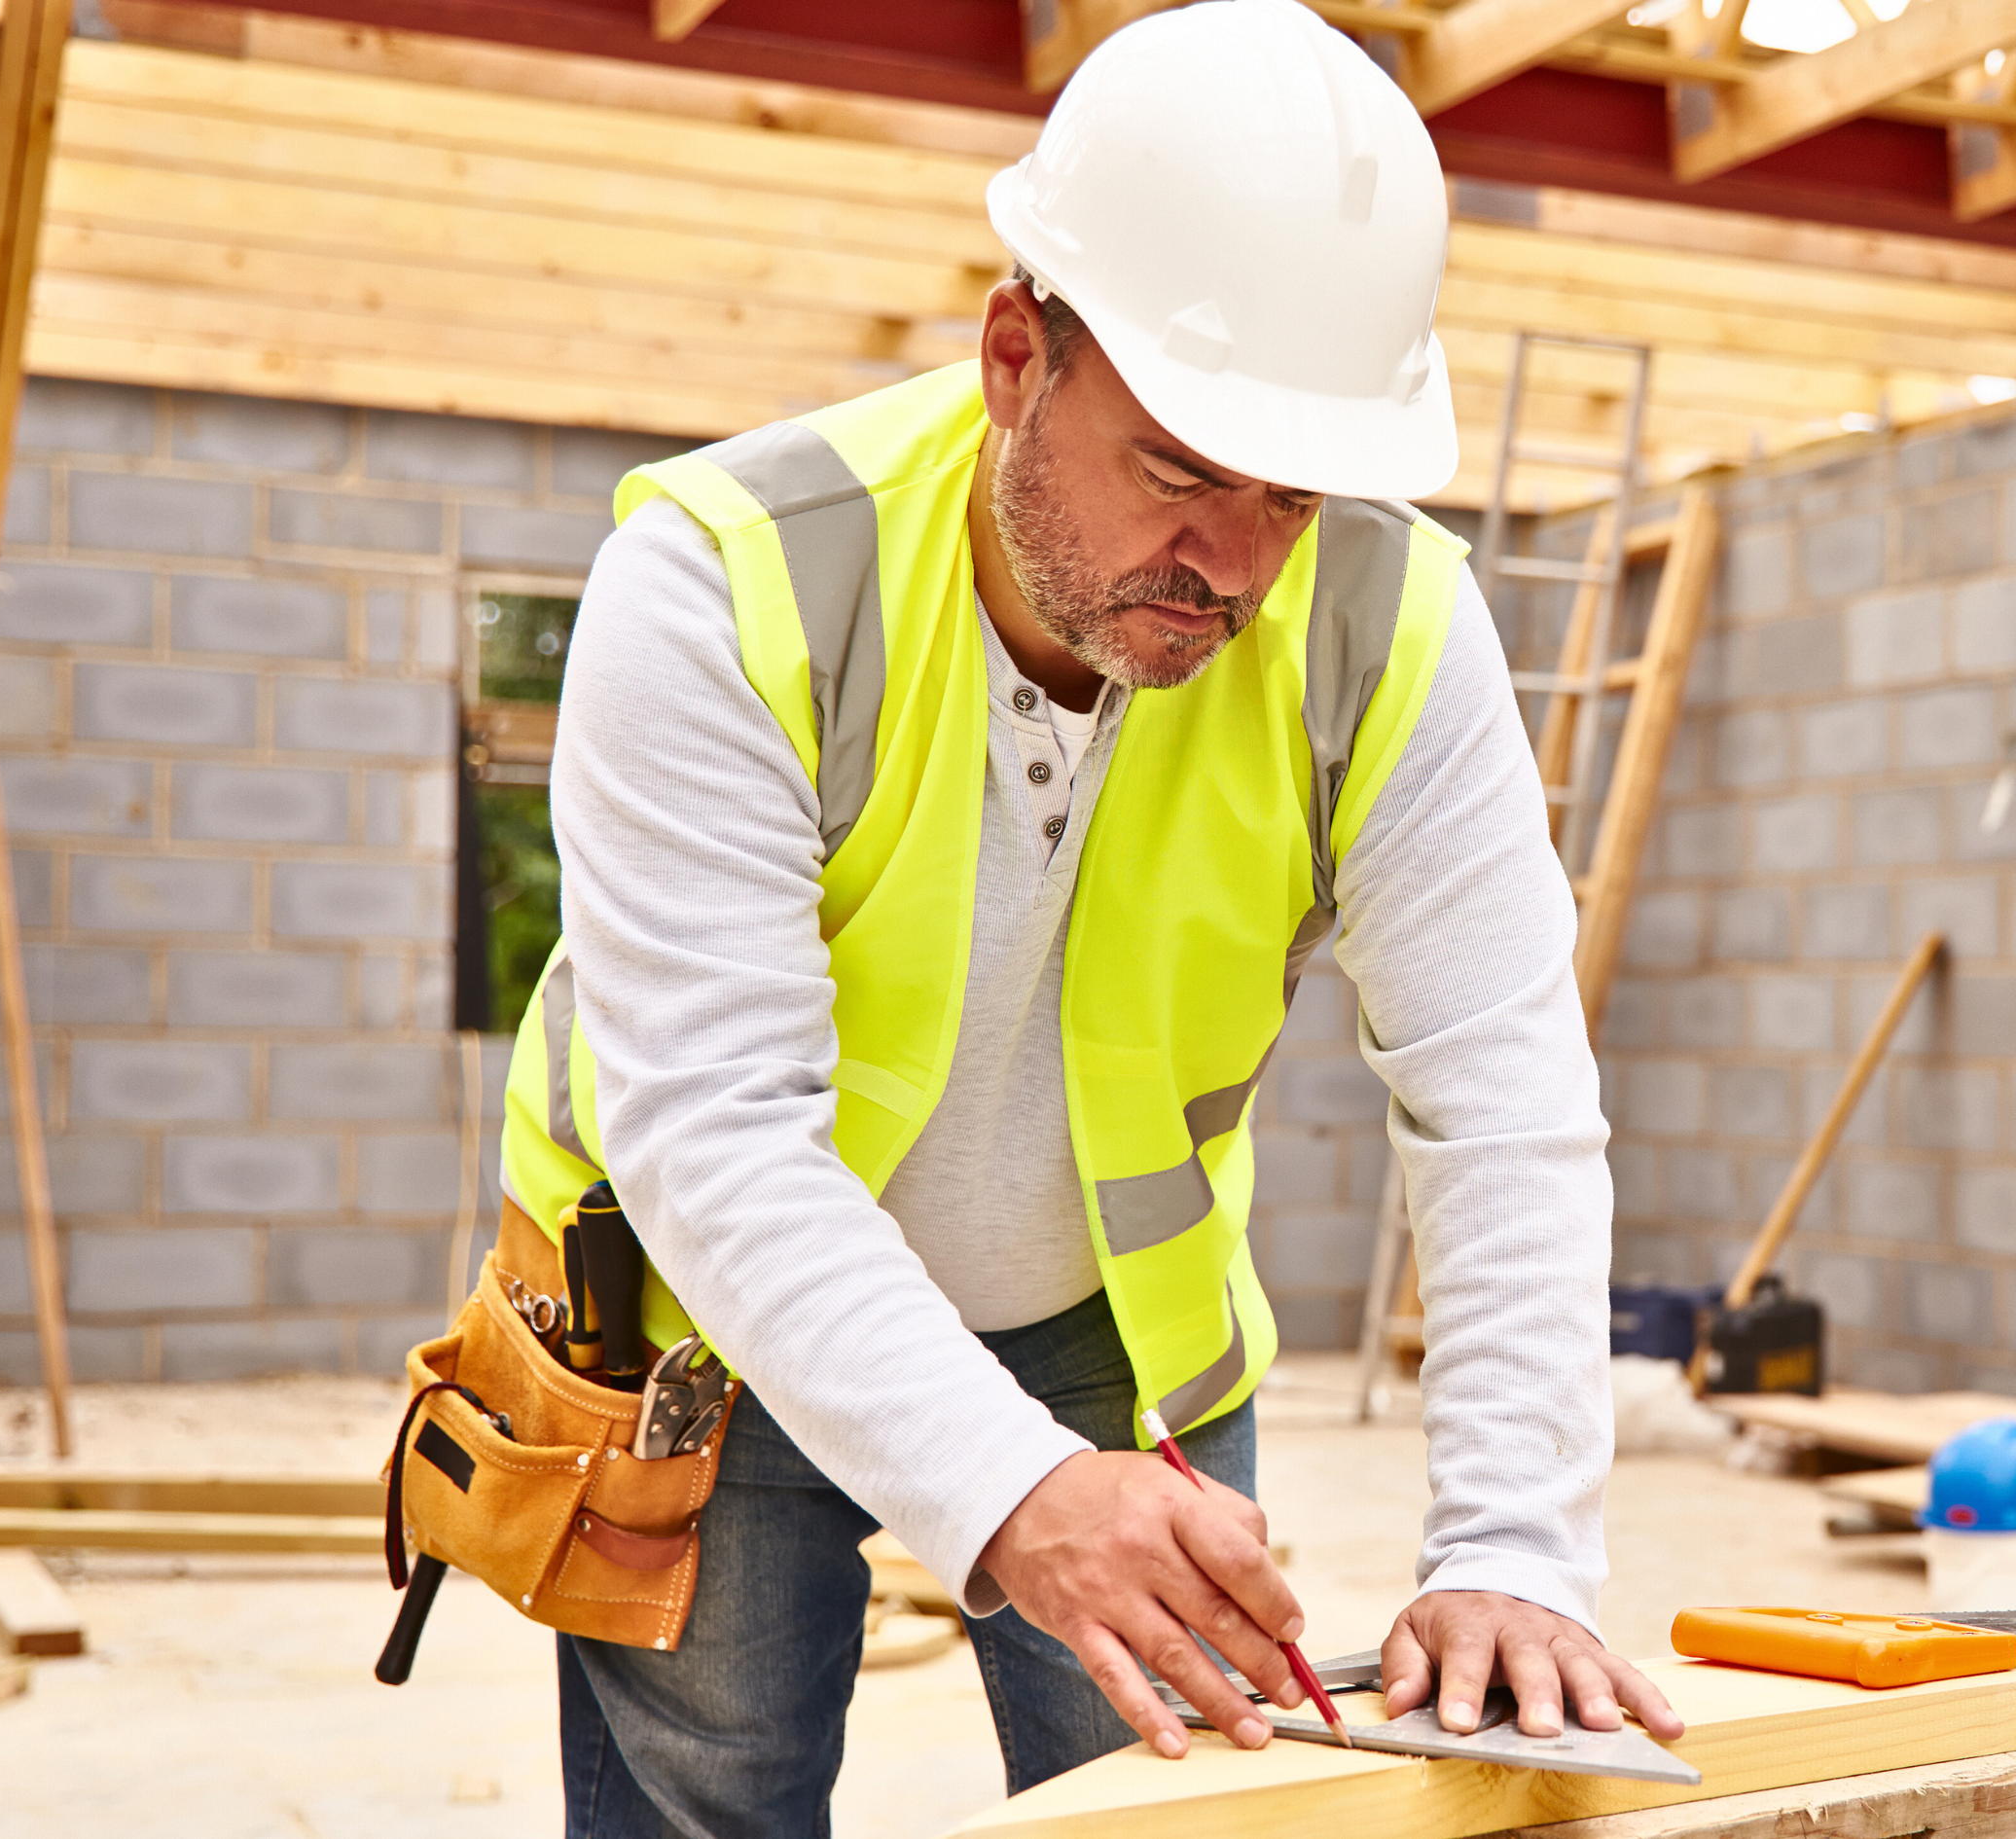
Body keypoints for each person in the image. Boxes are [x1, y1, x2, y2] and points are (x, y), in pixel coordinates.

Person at [495, 0, 1682, 1829]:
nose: (1236, 563)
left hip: (1116, 1337)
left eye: (1292, 492)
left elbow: (1503, 1091)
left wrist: (1518, 1545)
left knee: (1189, 1814)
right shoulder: (726, 583)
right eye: (1183, 471)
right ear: (1011, 355)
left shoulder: (1393, 627)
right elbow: (714, 1131)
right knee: (705, 1807)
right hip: (706, 1324)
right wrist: (1010, 1494)